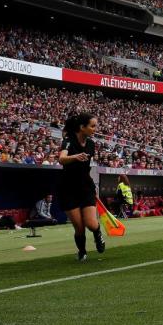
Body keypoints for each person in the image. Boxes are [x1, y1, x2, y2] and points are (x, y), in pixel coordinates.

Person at [58, 112, 104, 261]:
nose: (95, 129)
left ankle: (98, 234)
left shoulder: (91, 144)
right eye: (92, 126)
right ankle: (82, 251)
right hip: (68, 188)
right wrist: (75, 157)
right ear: (82, 127)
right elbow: (62, 159)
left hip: (85, 186)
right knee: (79, 227)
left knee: (91, 224)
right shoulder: (68, 141)